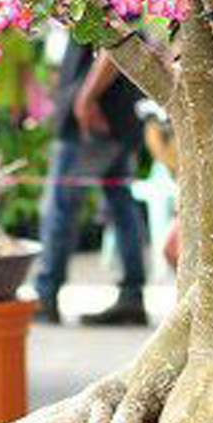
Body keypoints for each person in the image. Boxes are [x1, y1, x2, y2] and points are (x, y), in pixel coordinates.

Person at [32, 44, 149, 326]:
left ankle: (46, 296)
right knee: (120, 205)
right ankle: (131, 297)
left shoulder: (107, 8)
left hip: (91, 121)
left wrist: (85, 98)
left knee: (60, 209)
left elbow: (116, 46)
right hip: (112, 117)